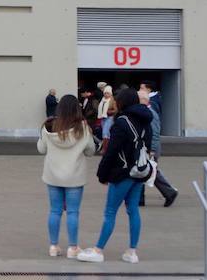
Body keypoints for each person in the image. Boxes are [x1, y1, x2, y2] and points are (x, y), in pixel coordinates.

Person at [78, 88, 152, 264]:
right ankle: (132, 252)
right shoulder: (146, 120)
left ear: (122, 103)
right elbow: (148, 145)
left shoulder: (121, 123)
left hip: (122, 173)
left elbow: (111, 151)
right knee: (133, 209)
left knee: (110, 211)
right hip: (139, 171)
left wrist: (102, 174)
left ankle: (98, 250)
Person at [38, 94, 96, 259]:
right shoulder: (82, 128)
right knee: (73, 212)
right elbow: (91, 151)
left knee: (55, 211)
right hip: (74, 177)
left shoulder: (48, 126)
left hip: (53, 175)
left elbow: (41, 149)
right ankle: (73, 247)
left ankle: (53, 246)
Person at [139, 88, 178, 207]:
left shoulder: (150, 113)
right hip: (146, 147)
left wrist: (152, 149)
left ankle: (169, 192)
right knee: (145, 171)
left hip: (150, 148)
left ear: (143, 100)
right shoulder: (145, 111)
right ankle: (140, 199)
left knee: (149, 171)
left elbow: (155, 133)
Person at [96, 85, 116, 152]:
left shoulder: (112, 100)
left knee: (105, 133)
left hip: (109, 118)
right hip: (103, 118)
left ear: (110, 93)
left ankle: (105, 150)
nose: (106, 94)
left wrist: (108, 111)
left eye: (108, 93)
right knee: (105, 134)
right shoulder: (102, 100)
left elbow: (116, 110)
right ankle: (107, 149)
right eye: (105, 93)